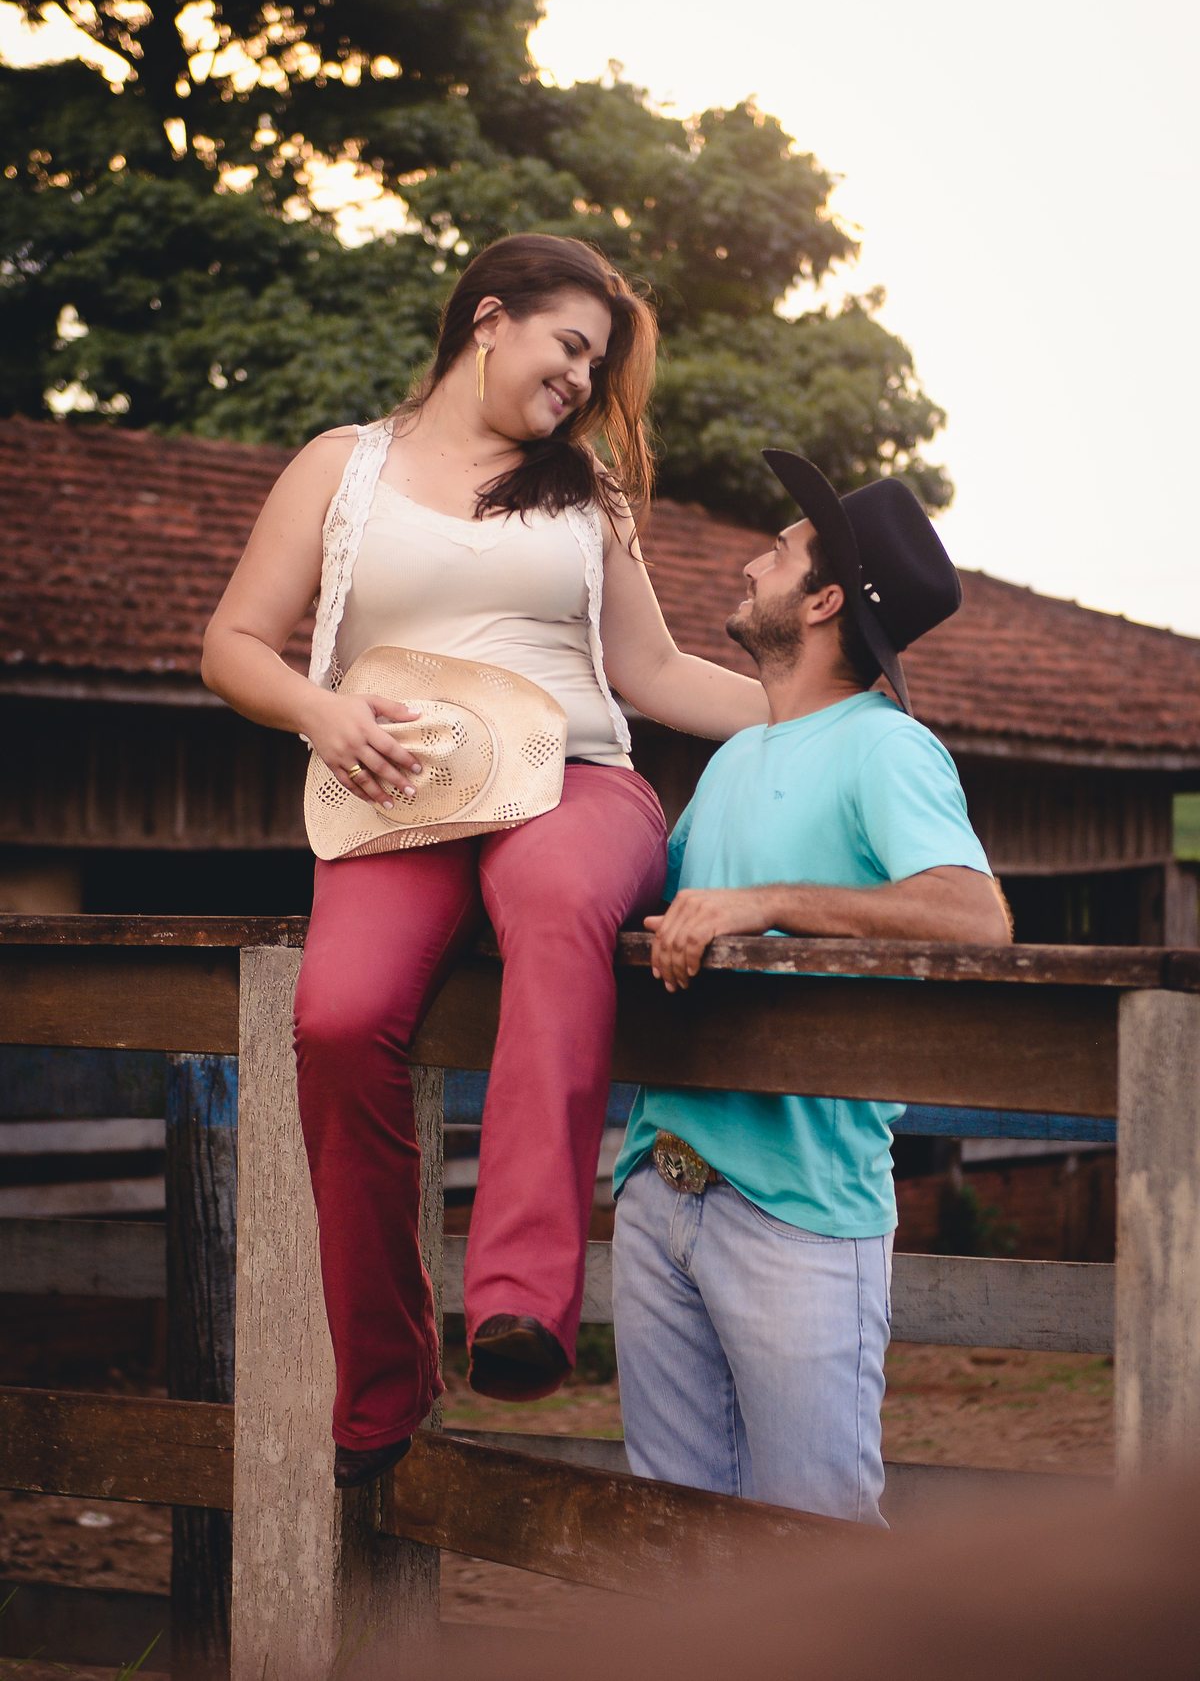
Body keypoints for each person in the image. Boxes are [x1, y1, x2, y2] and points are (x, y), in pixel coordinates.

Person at [202, 233, 767, 1489]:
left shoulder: (585, 492)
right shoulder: (341, 467)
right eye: (570, 347)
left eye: (597, 366)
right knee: (338, 1017)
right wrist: (321, 712)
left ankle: (519, 1300)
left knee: (558, 904)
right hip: (397, 797)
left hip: (576, 782)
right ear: (491, 318)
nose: (581, 381)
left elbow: (654, 670)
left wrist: (819, 711)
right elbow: (233, 641)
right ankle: (384, 1380)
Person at [610, 449, 1012, 1525]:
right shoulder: (738, 757)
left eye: (779, 551)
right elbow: (660, 913)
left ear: (826, 599)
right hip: (659, 1187)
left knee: (815, 1541)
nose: (751, 563)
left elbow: (975, 914)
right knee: (673, 1542)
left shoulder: (889, 749)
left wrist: (769, 903)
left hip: (801, 1211)